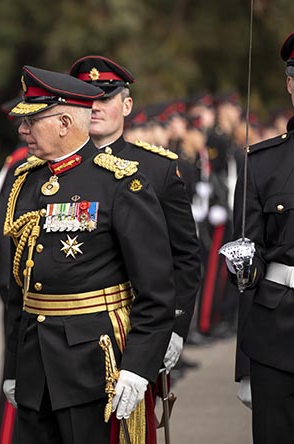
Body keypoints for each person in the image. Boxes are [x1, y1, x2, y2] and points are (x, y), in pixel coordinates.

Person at [1, 66, 175, 443]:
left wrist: (138, 367)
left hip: (93, 366)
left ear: (65, 122)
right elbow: (19, 286)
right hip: (35, 366)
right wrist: (13, 368)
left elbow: (156, 292)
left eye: (32, 120)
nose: (22, 130)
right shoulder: (25, 182)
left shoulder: (119, 183)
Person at [69, 55, 201, 373]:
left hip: (137, 330)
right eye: (87, 99)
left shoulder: (158, 169)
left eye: (105, 98)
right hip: (70, 334)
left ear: (127, 106)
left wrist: (175, 327)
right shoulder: (58, 171)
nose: (95, 107)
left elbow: (184, 256)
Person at [225, 28, 294, 444]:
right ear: (288, 84)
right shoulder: (259, 163)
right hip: (274, 342)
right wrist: (244, 365)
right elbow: (247, 269)